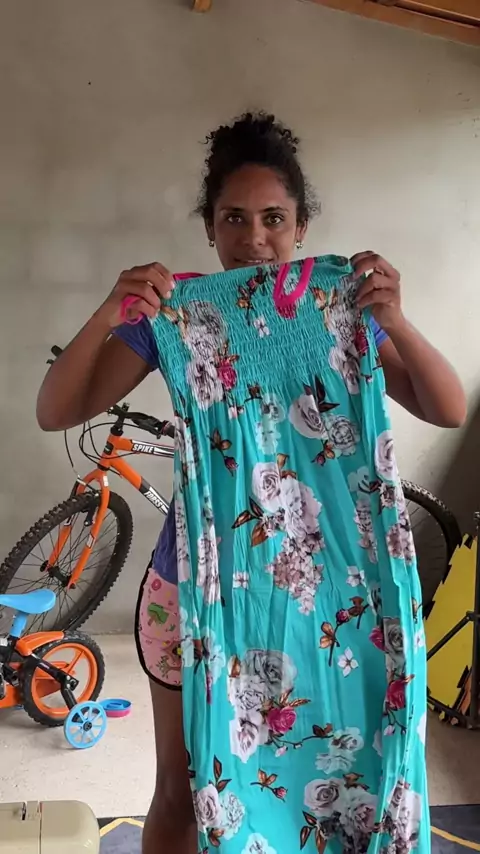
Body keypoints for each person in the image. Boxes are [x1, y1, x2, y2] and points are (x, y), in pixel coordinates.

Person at [37, 112, 466, 854]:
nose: (254, 237)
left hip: (323, 599)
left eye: (273, 218)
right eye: (234, 217)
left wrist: (396, 319)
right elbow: (56, 411)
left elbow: (449, 407)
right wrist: (111, 310)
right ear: (210, 228)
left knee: (337, 778)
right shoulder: (175, 318)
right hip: (196, 594)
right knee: (186, 791)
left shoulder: (344, 310)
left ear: (301, 228)